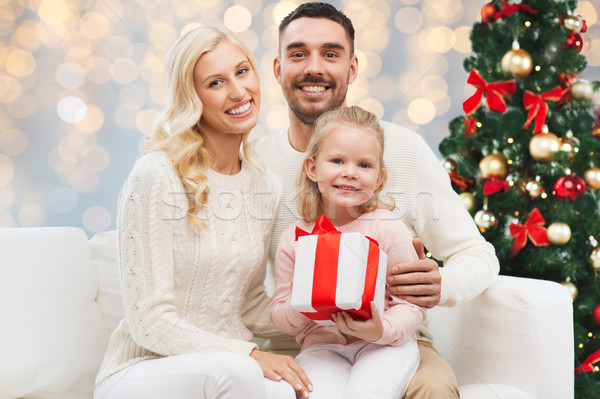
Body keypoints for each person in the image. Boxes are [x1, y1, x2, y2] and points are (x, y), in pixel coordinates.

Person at [255, 2, 500, 398]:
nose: (314, 67)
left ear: (352, 68)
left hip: (394, 338)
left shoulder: (403, 149)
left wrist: (439, 284)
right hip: (298, 345)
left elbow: (478, 255)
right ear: (278, 69)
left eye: (331, 54)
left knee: (433, 390)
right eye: (298, 53)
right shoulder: (254, 163)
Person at [93, 25, 312, 399]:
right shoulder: (157, 174)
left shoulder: (264, 184)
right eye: (215, 83)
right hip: (141, 371)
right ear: (191, 97)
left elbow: (250, 303)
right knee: (240, 372)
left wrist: (322, 317)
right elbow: (149, 322)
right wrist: (250, 354)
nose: (239, 91)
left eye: (242, 72)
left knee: (289, 390)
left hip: (226, 367)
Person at [271, 106, 426, 399]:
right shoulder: (295, 238)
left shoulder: (388, 228)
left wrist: (382, 330)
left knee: (367, 392)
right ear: (313, 168)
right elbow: (279, 312)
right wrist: (305, 301)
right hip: (321, 347)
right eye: (338, 160)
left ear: (379, 178)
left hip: (384, 344)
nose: (350, 173)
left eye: (364, 165)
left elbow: (412, 305)